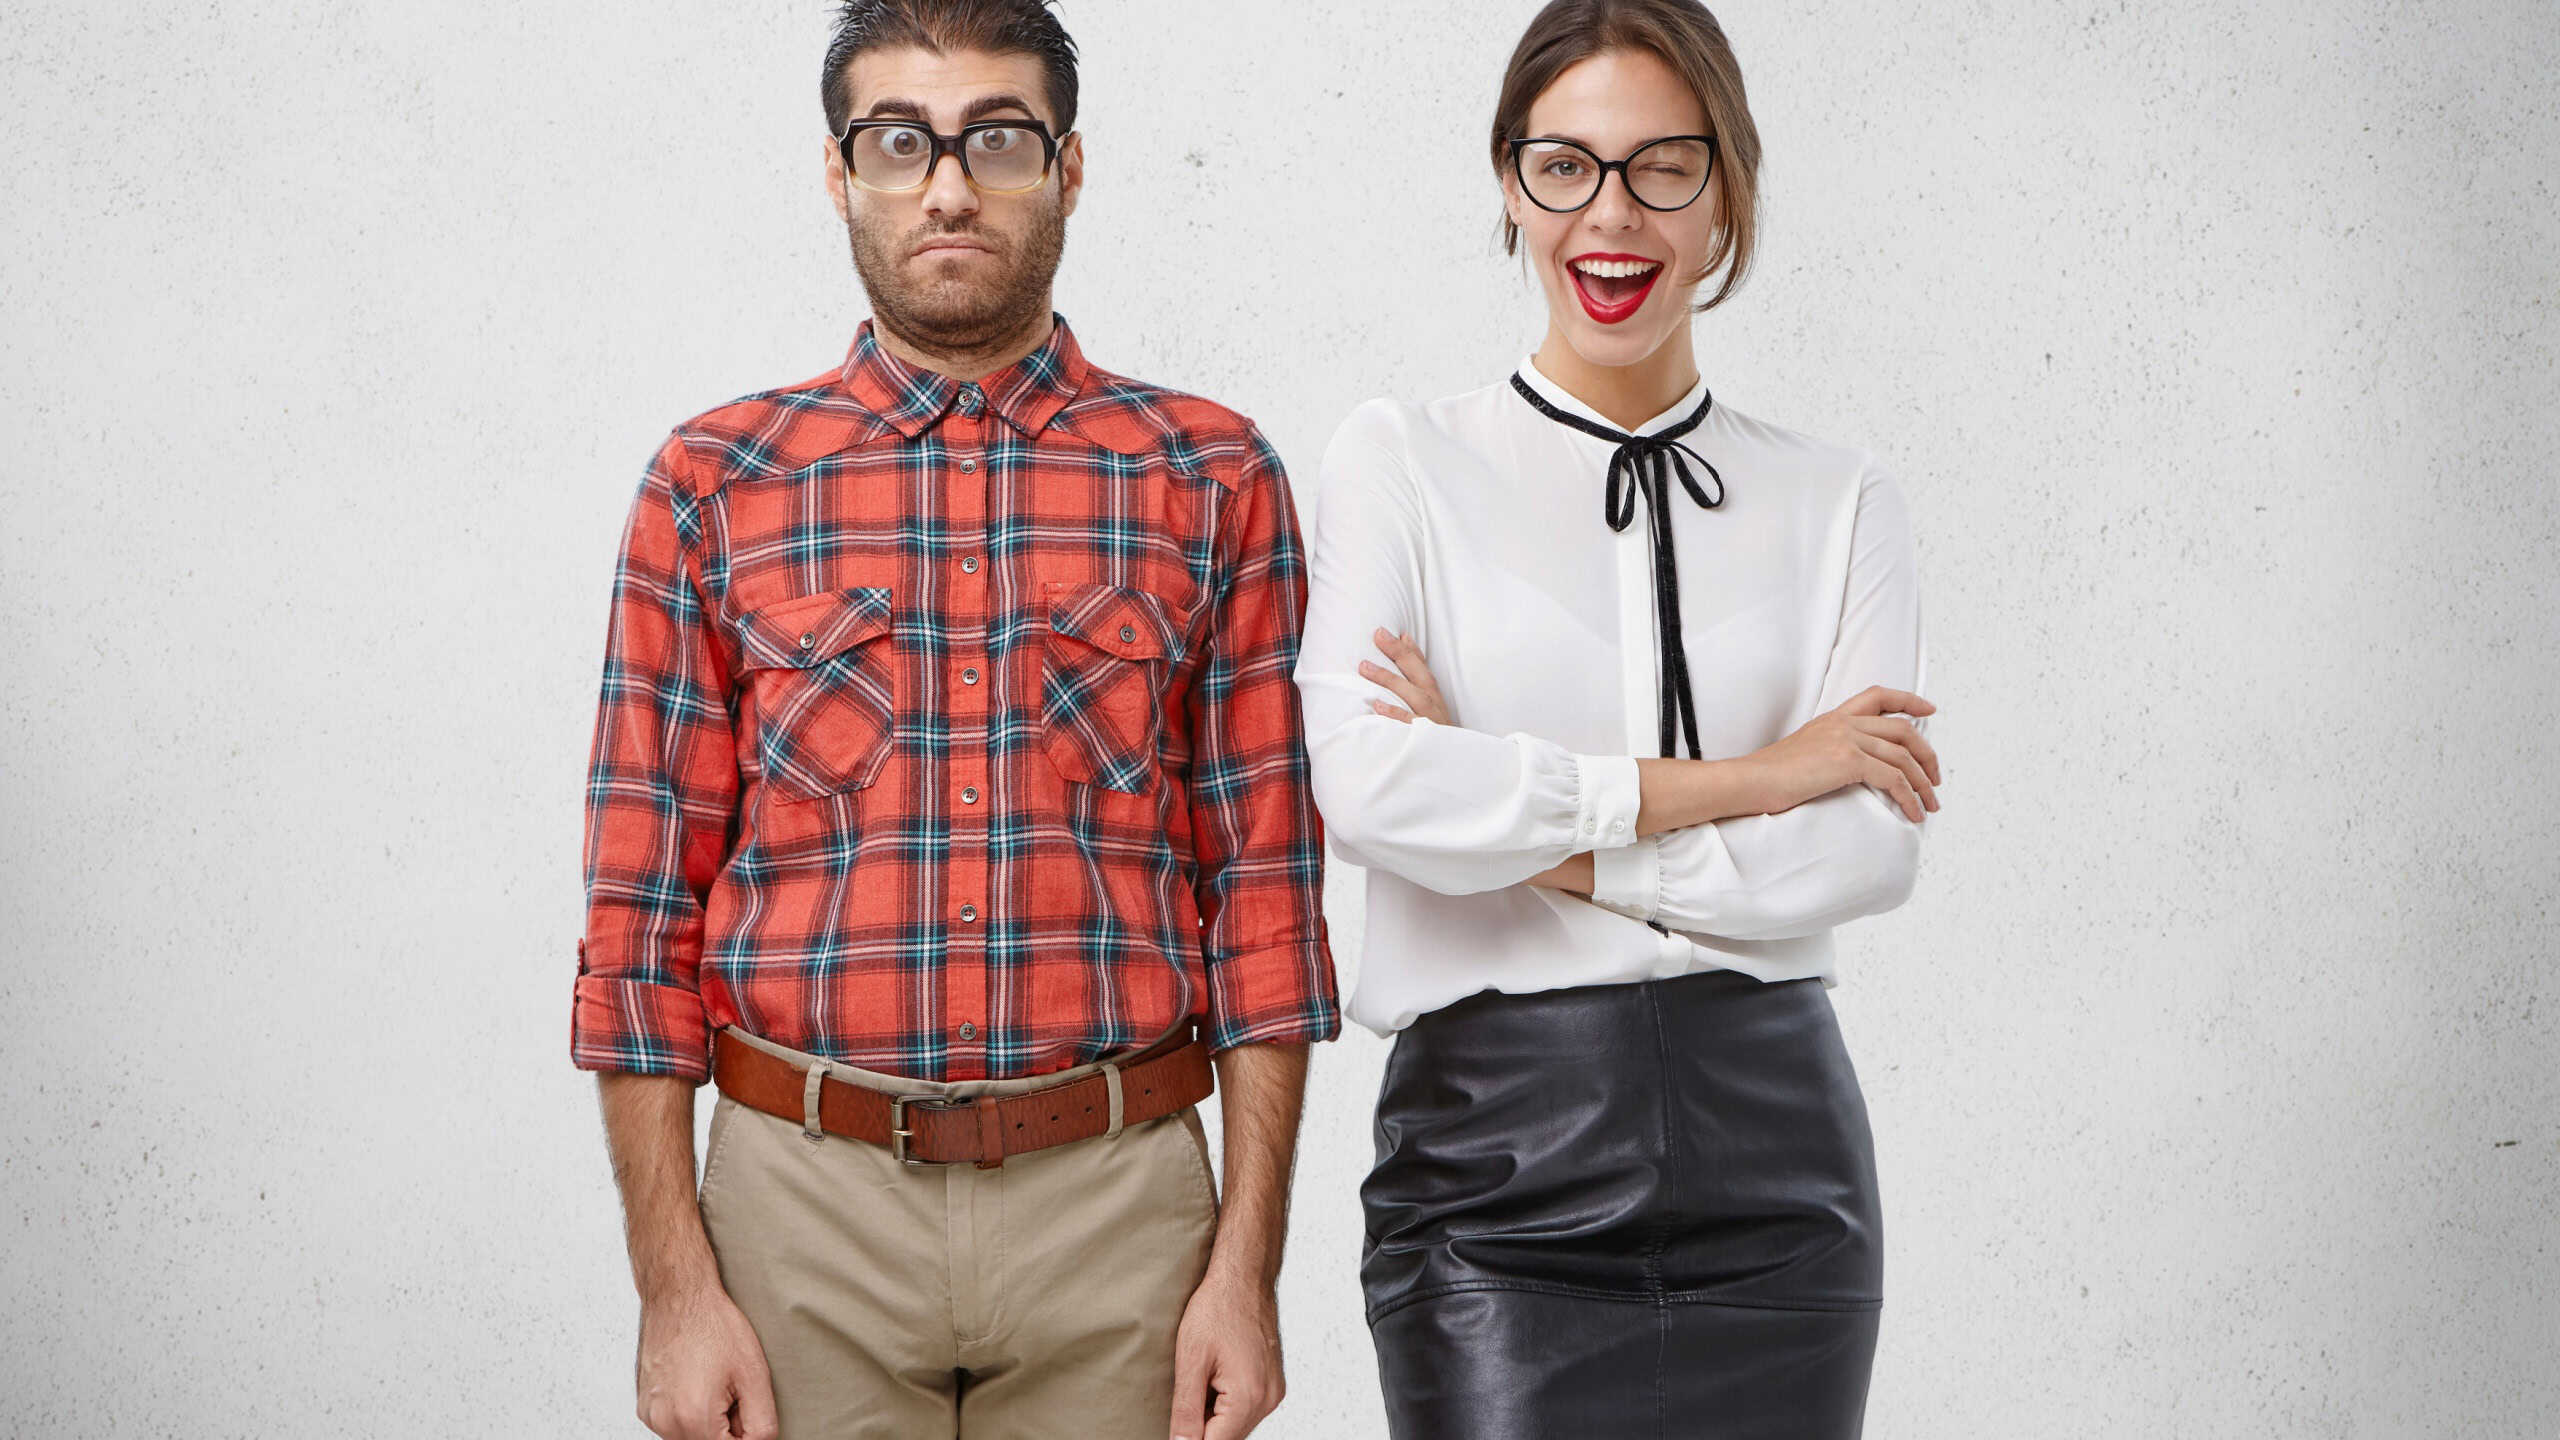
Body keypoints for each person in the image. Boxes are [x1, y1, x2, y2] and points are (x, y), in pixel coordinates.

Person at [569, 3, 1340, 1436]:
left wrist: (1250, 1268)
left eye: (996, 137)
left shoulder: (1211, 475)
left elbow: (1267, 910)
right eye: (899, 140)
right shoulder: (713, 483)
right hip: (804, 1211)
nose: (947, 183)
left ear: (1068, 166)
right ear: (838, 171)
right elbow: (637, 921)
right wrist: (674, 1294)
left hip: (1120, 1217)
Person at [1291, 0, 1944, 1434]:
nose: (1612, 215)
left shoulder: (1840, 498)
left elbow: (1862, 855)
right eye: (1565, 166)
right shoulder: (1401, 460)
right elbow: (1369, 791)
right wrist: (1759, 777)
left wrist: (1537, 838)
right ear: (1511, 186)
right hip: (1496, 1163)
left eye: (1663, 166)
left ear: (1728, 196)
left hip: (1779, 1158)